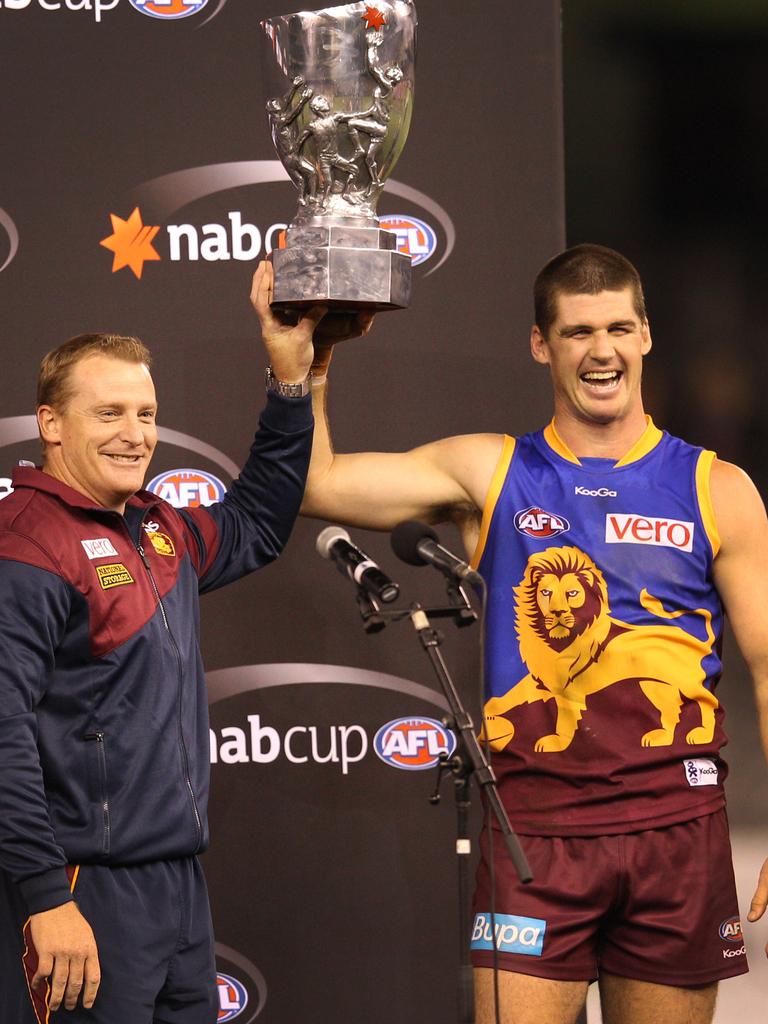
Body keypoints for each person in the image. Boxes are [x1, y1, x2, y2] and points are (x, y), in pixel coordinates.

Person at [251, 245, 768, 1024]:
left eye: (619, 328)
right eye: (578, 331)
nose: (602, 350)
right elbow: (317, 485)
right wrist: (304, 366)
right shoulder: (490, 470)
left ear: (647, 337)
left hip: (677, 833)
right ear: (540, 344)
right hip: (535, 832)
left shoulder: (717, 488)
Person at [0, 311, 330, 1022]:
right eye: (109, 412)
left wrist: (292, 387)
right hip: (82, 889)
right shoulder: (28, 545)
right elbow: (4, 736)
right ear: (51, 424)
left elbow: (260, 523)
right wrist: (47, 898)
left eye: (146, 413)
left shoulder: (156, 525)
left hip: (178, 887)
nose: (135, 433)